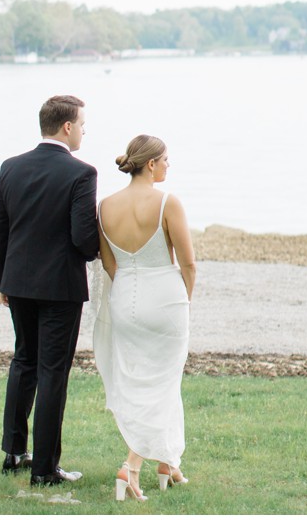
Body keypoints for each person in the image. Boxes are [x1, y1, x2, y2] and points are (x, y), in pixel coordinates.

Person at [0, 94, 99, 486]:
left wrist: (0, 278)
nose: (85, 130)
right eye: (83, 124)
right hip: (60, 288)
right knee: (53, 372)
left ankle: (14, 452)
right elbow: (84, 239)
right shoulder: (81, 174)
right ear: (67, 127)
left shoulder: (11, 167)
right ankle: (45, 469)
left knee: (24, 362)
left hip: (17, 283)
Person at [93, 134, 196, 502]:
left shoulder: (104, 206)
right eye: (166, 159)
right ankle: (132, 465)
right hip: (165, 299)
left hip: (125, 298)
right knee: (164, 383)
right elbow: (188, 262)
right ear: (150, 164)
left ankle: (168, 462)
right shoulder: (168, 202)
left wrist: (125, 296)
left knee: (145, 380)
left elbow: (108, 263)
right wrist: (184, 299)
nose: (169, 165)